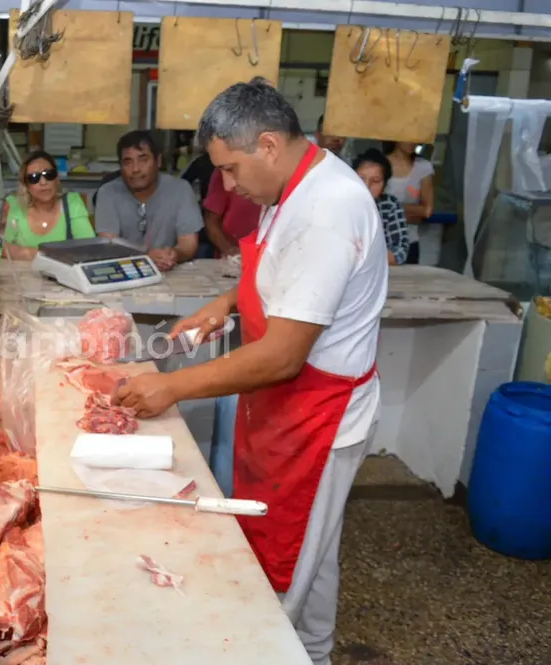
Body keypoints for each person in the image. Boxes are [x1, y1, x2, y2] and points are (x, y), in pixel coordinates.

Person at [115, 78, 387, 665]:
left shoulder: (327, 209)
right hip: (282, 408)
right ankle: (314, 652)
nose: (229, 187)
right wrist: (223, 306)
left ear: (267, 143)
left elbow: (283, 355)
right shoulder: (289, 188)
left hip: (316, 415)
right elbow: (270, 275)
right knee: (314, 550)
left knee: (281, 567)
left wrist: (170, 386)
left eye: (232, 170)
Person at [95, 131, 203, 271]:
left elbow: (188, 244)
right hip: (125, 273)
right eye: (128, 162)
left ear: (158, 161)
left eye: (143, 159)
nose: (135, 169)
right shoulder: (107, 192)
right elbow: (109, 246)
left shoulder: (180, 189)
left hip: (171, 273)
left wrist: (174, 254)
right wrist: (146, 257)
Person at [0, 150, 95, 262]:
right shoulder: (13, 204)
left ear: (57, 179)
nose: (43, 182)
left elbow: (89, 250)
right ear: (26, 185)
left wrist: (23, 252)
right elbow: (0, 249)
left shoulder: (72, 202)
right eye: (34, 178)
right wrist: (56, 257)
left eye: (49, 174)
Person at [353, 148, 410, 265]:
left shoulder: (389, 205)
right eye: (361, 179)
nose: (367, 186)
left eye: (375, 181)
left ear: (384, 185)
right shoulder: (340, 203)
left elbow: (400, 251)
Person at [383, 141, 435, 265]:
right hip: (380, 243)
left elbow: (427, 211)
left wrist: (392, 211)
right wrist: (408, 213)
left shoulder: (423, 167)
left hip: (410, 242)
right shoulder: (380, 164)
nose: (413, 142)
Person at [201, 167, 262, 257]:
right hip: (233, 260)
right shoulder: (224, 170)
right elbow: (211, 221)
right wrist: (230, 251)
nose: (228, 186)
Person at [180, 152, 218, 259]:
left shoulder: (202, 161)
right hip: (209, 212)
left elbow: (184, 180)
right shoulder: (202, 162)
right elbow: (183, 183)